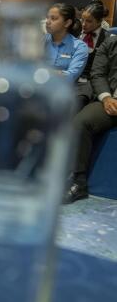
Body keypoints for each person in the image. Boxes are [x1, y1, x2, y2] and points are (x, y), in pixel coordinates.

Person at [64, 36, 117, 204]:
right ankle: (78, 182)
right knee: (80, 123)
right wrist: (107, 98)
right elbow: (97, 73)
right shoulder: (111, 42)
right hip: (109, 101)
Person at [77, 1, 112, 109]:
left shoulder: (108, 38)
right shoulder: (77, 33)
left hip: (92, 81)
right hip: (75, 77)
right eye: (82, 20)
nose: (83, 24)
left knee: (78, 101)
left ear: (99, 21)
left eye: (89, 21)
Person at [44, 3, 88, 83]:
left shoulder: (79, 47)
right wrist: (58, 73)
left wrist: (42, 72)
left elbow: (70, 77)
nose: (47, 22)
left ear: (67, 23)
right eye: (47, 18)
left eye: (53, 18)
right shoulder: (40, 41)